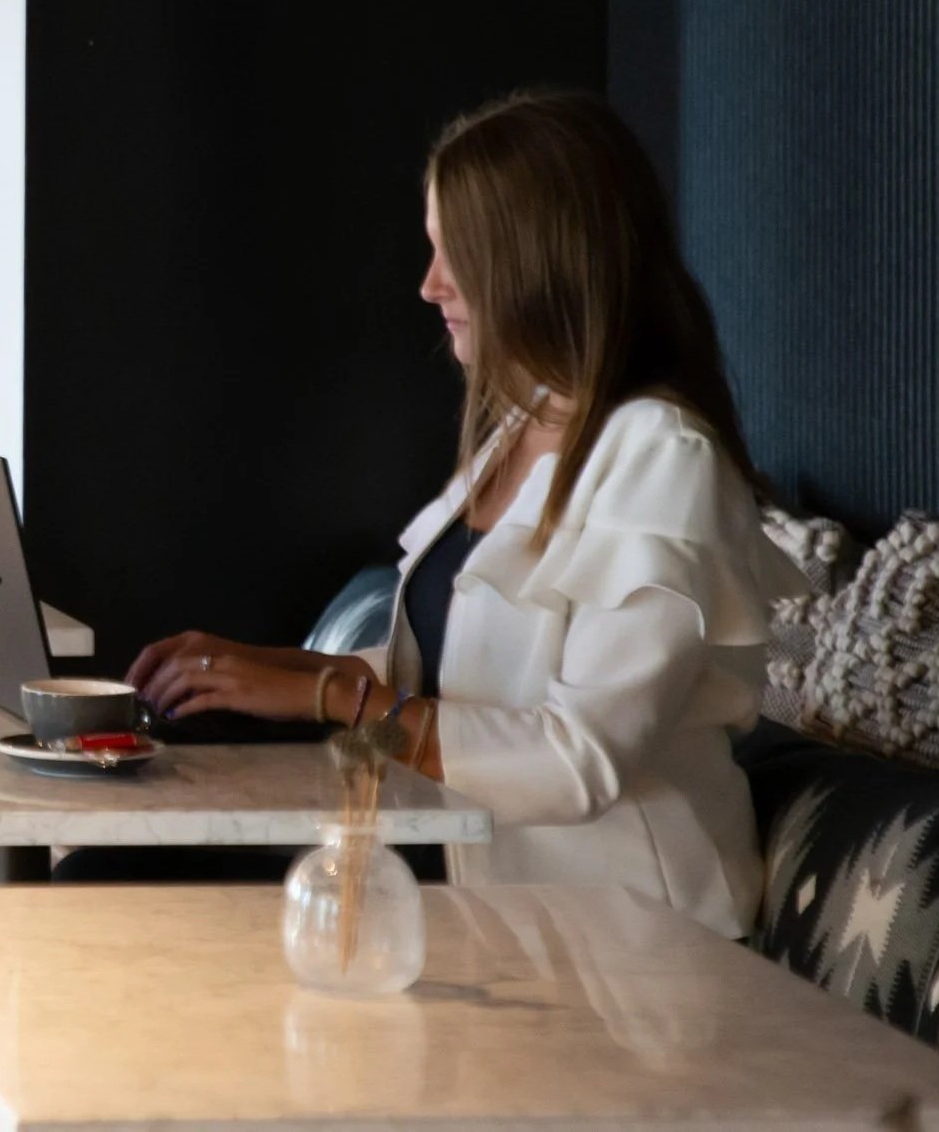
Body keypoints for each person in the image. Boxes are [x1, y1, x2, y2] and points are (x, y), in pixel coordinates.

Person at [126, 87, 803, 939]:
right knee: (118, 874)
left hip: (620, 943)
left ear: (536, 263)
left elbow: (576, 759)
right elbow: (448, 673)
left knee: (147, 895)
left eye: (457, 257)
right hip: (473, 892)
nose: (428, 286)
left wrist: (326, 695)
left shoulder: (663, 457)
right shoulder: (522, 429)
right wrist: (259, 669)